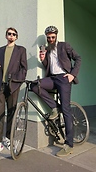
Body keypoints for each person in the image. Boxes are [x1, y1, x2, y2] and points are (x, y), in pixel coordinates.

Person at [31, 25, 81, 157]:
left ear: (56, 36)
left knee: (66, 110)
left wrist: (72, 75)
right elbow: (48, 66)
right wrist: (43, 59)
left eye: (53, 37)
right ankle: (54, 107)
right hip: (52, 78)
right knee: (35, 86)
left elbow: (78, 58)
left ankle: (69, 144)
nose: (51, 39)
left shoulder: (65, 46)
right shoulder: (47, 49)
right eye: (48, 38)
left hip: (64, 79)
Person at [0, 27, 27, 157]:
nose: (11, 36)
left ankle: (8, 139)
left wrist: (17, 82)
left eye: (14, 34)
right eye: (9, 34)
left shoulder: (21, 50)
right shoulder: (0, 50)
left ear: (16, 37)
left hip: (13, 86)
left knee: (11, 113)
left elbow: (24, 68)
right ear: (6, 36)